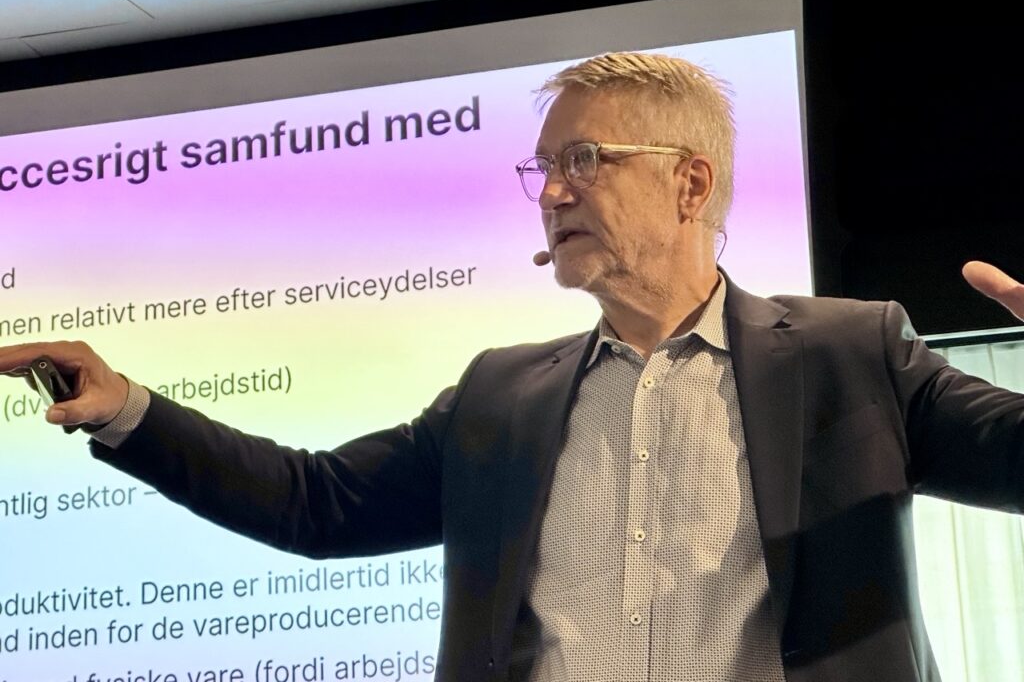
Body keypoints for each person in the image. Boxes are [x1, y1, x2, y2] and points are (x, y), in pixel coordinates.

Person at [2, 52, 1023, 682]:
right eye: (543, 168)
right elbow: (316, 504)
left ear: (689, 183)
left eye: (584, 161)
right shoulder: (502, 395)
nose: (551, 192)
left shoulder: (850, 353)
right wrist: (126, 409)